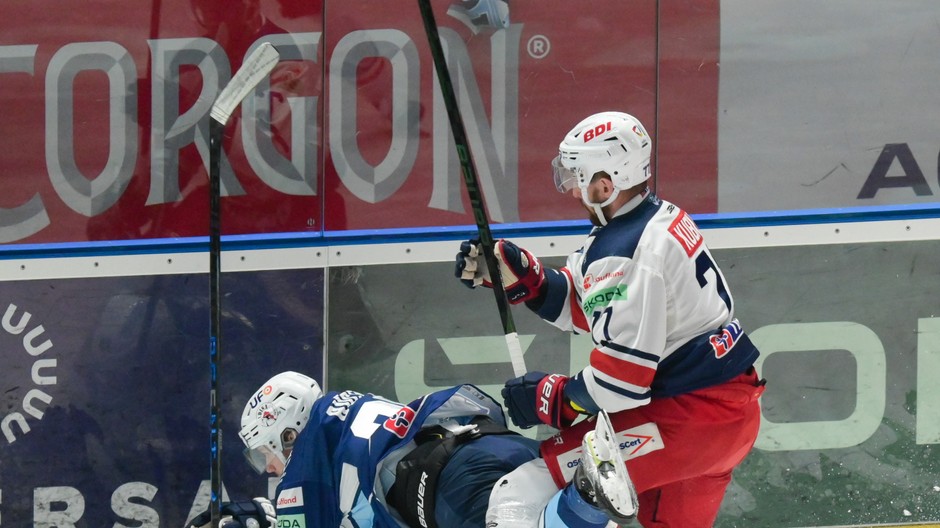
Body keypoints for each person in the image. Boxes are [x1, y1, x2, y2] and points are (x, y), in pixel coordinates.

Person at [455, 111, 767, 527]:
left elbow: (621, 383)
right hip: (728, 417)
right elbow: (599, 307)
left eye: (577, 178)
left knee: (521, 491)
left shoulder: (625, 250)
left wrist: (555, 398)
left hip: (683, 422)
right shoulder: (658, 218)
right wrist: (532, 282)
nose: (572, 190)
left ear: (605, 184)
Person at [188, 370, 637, 528]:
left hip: (448, 487)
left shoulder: (306, 460)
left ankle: (585, 495)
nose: (270, 467)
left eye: (265, 452)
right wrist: (255, 514)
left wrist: (247, 517)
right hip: (495, 447)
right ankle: (584, 497)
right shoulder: (346, 414)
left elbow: (299, 512)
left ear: (289, 432)